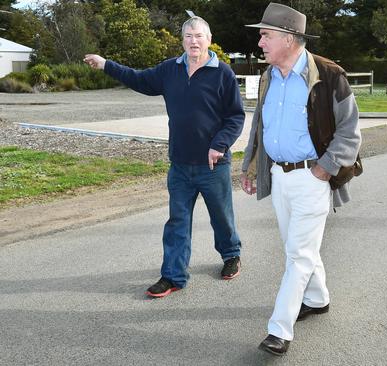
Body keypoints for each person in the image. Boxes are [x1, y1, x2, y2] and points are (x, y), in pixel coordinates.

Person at [83, 16, 245, 298]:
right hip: (180, 164)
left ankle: (231, 254)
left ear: (208, 39)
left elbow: (235, 116)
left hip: (214, 164)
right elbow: (138, 78)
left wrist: (219, 144)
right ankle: (173, 276)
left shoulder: (223, 73)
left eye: (198, 36)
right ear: (182, 40)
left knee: (221, 216)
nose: (193, 41)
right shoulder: (170, 69)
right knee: (177, 221)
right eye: (188, 36)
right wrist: (106, 64)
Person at [241, 2, 362, 356]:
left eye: (265, 35)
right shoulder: (268, 77)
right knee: (299, 248)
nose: (260, 42)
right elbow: (260, 128)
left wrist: (324, 168)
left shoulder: (328, 74)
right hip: (280, 177)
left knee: (298, 254)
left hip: (313, 177)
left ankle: (280, 328)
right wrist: (251, 166)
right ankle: (318, 298)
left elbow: (351, 132)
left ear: (289, 38)